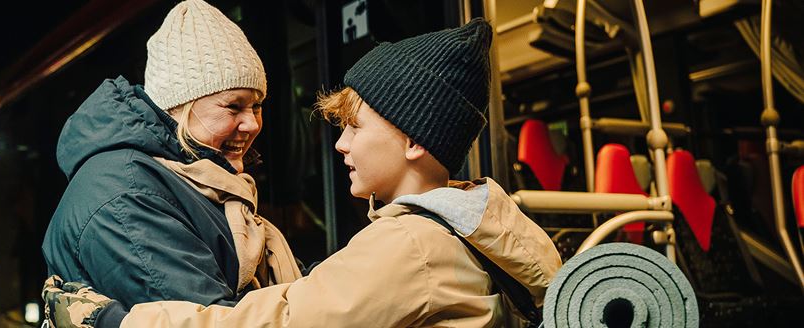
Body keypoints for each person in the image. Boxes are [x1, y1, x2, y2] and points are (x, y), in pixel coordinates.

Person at [43, 18, 563, 328]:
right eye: (234, 106)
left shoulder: (411, 244)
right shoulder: (468, 221)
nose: (341, 143)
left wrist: (113, 320)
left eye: (355, 127)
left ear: (414, 140)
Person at [41, 0, 302, 324]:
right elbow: (210, 319)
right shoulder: (126, 194)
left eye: (257, 105)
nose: (252, 124)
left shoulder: (192, 181)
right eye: (233, 107)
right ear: (178, 106)